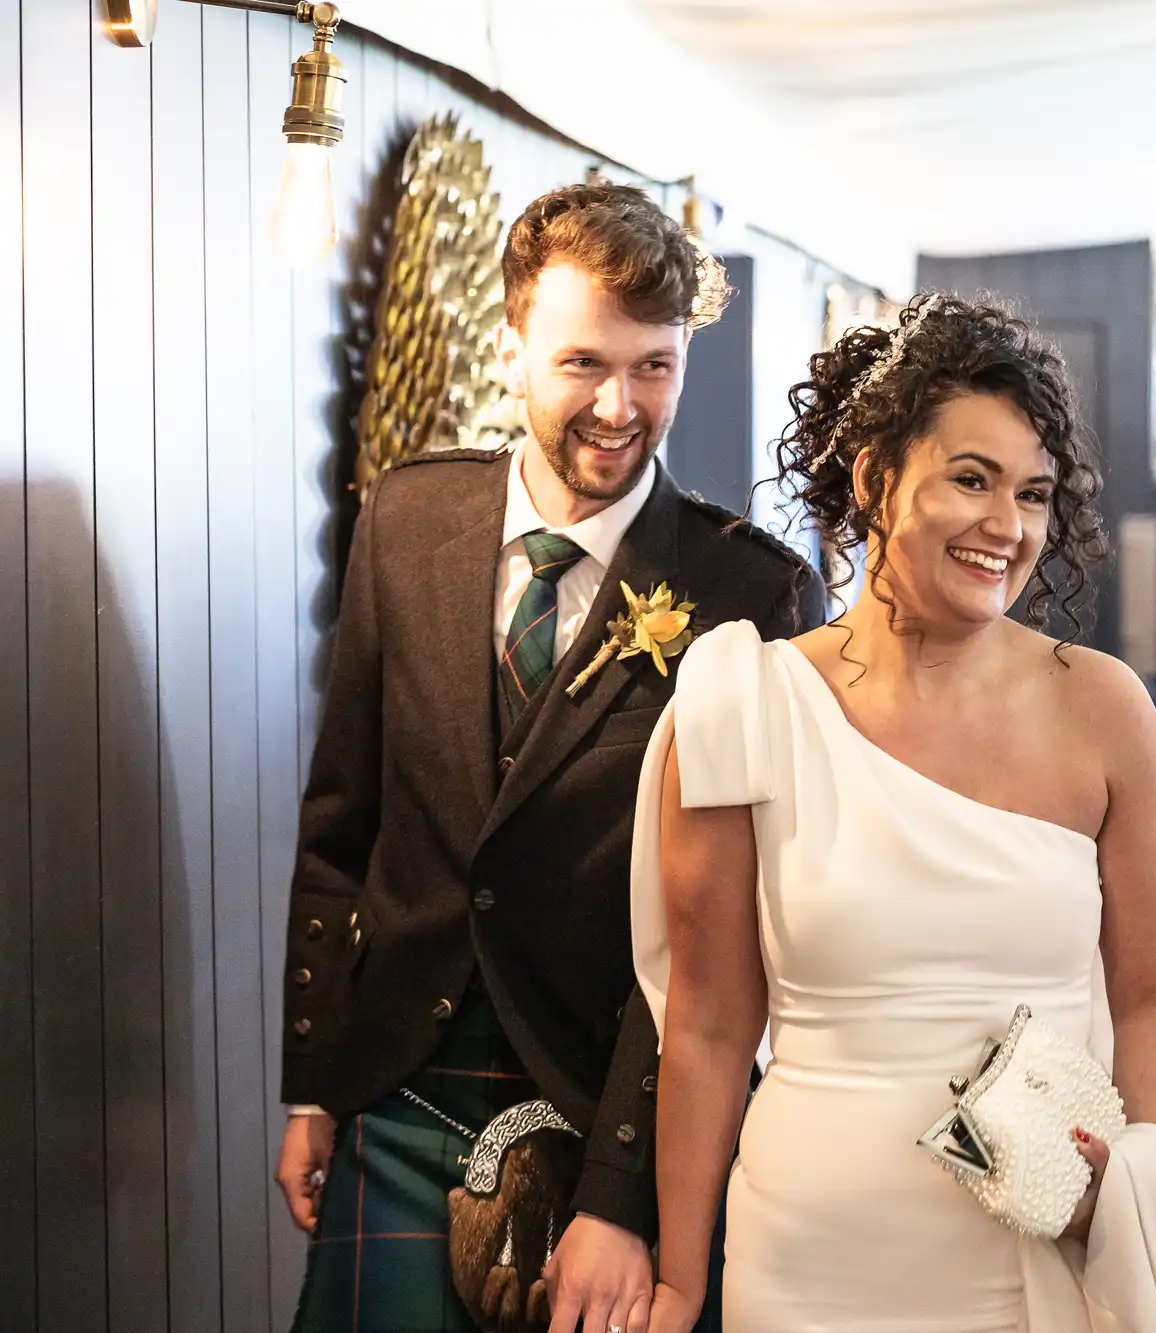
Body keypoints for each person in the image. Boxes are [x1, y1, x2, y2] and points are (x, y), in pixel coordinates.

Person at [274, 183, 825, 1333]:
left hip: (612, 1098)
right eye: (582, 363)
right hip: (399, 1084)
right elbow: (341, 830)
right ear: (510, 344)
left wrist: (625, 1194)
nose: (619, 406)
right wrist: (314, 1082)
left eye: (654, 367)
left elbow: (724, 937)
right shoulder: (405, 521)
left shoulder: (750, 593)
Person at [631, 294, 1156, 1331]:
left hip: (1038, 1246)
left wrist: (1123, 1180)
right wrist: (681, 1280)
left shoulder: (1102, 708)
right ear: (873, 478)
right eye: (971, 479)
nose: (1008, 526)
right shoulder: (746, 703)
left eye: (1033, 494)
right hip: (808, 1260)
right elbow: (712, 1027)